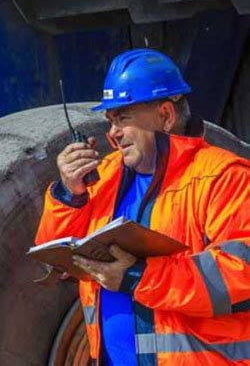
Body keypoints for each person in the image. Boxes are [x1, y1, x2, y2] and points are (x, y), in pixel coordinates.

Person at [35, 49, 250, 365]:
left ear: (165, 115)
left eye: (123, 117)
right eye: (110, 120)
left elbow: (240, 276)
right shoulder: (105, 176)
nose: (113, 133)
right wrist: (71, 196)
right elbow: (56, 260)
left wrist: (137, 276)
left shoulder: (224, 178)